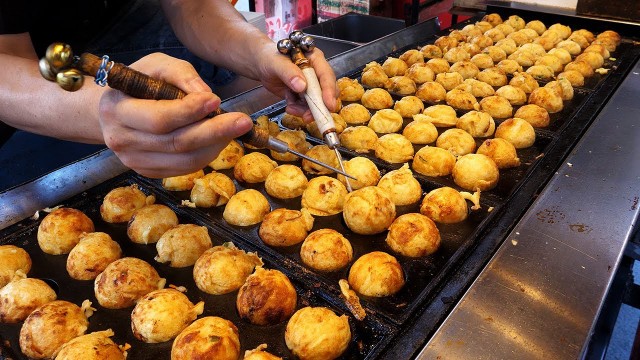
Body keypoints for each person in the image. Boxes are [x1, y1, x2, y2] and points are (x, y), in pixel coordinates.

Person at [0, 0, 337, 178]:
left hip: (113, 18)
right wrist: (99, 111)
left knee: (237, 81)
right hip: (25, 79)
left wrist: (261, 53)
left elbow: (190, 4)